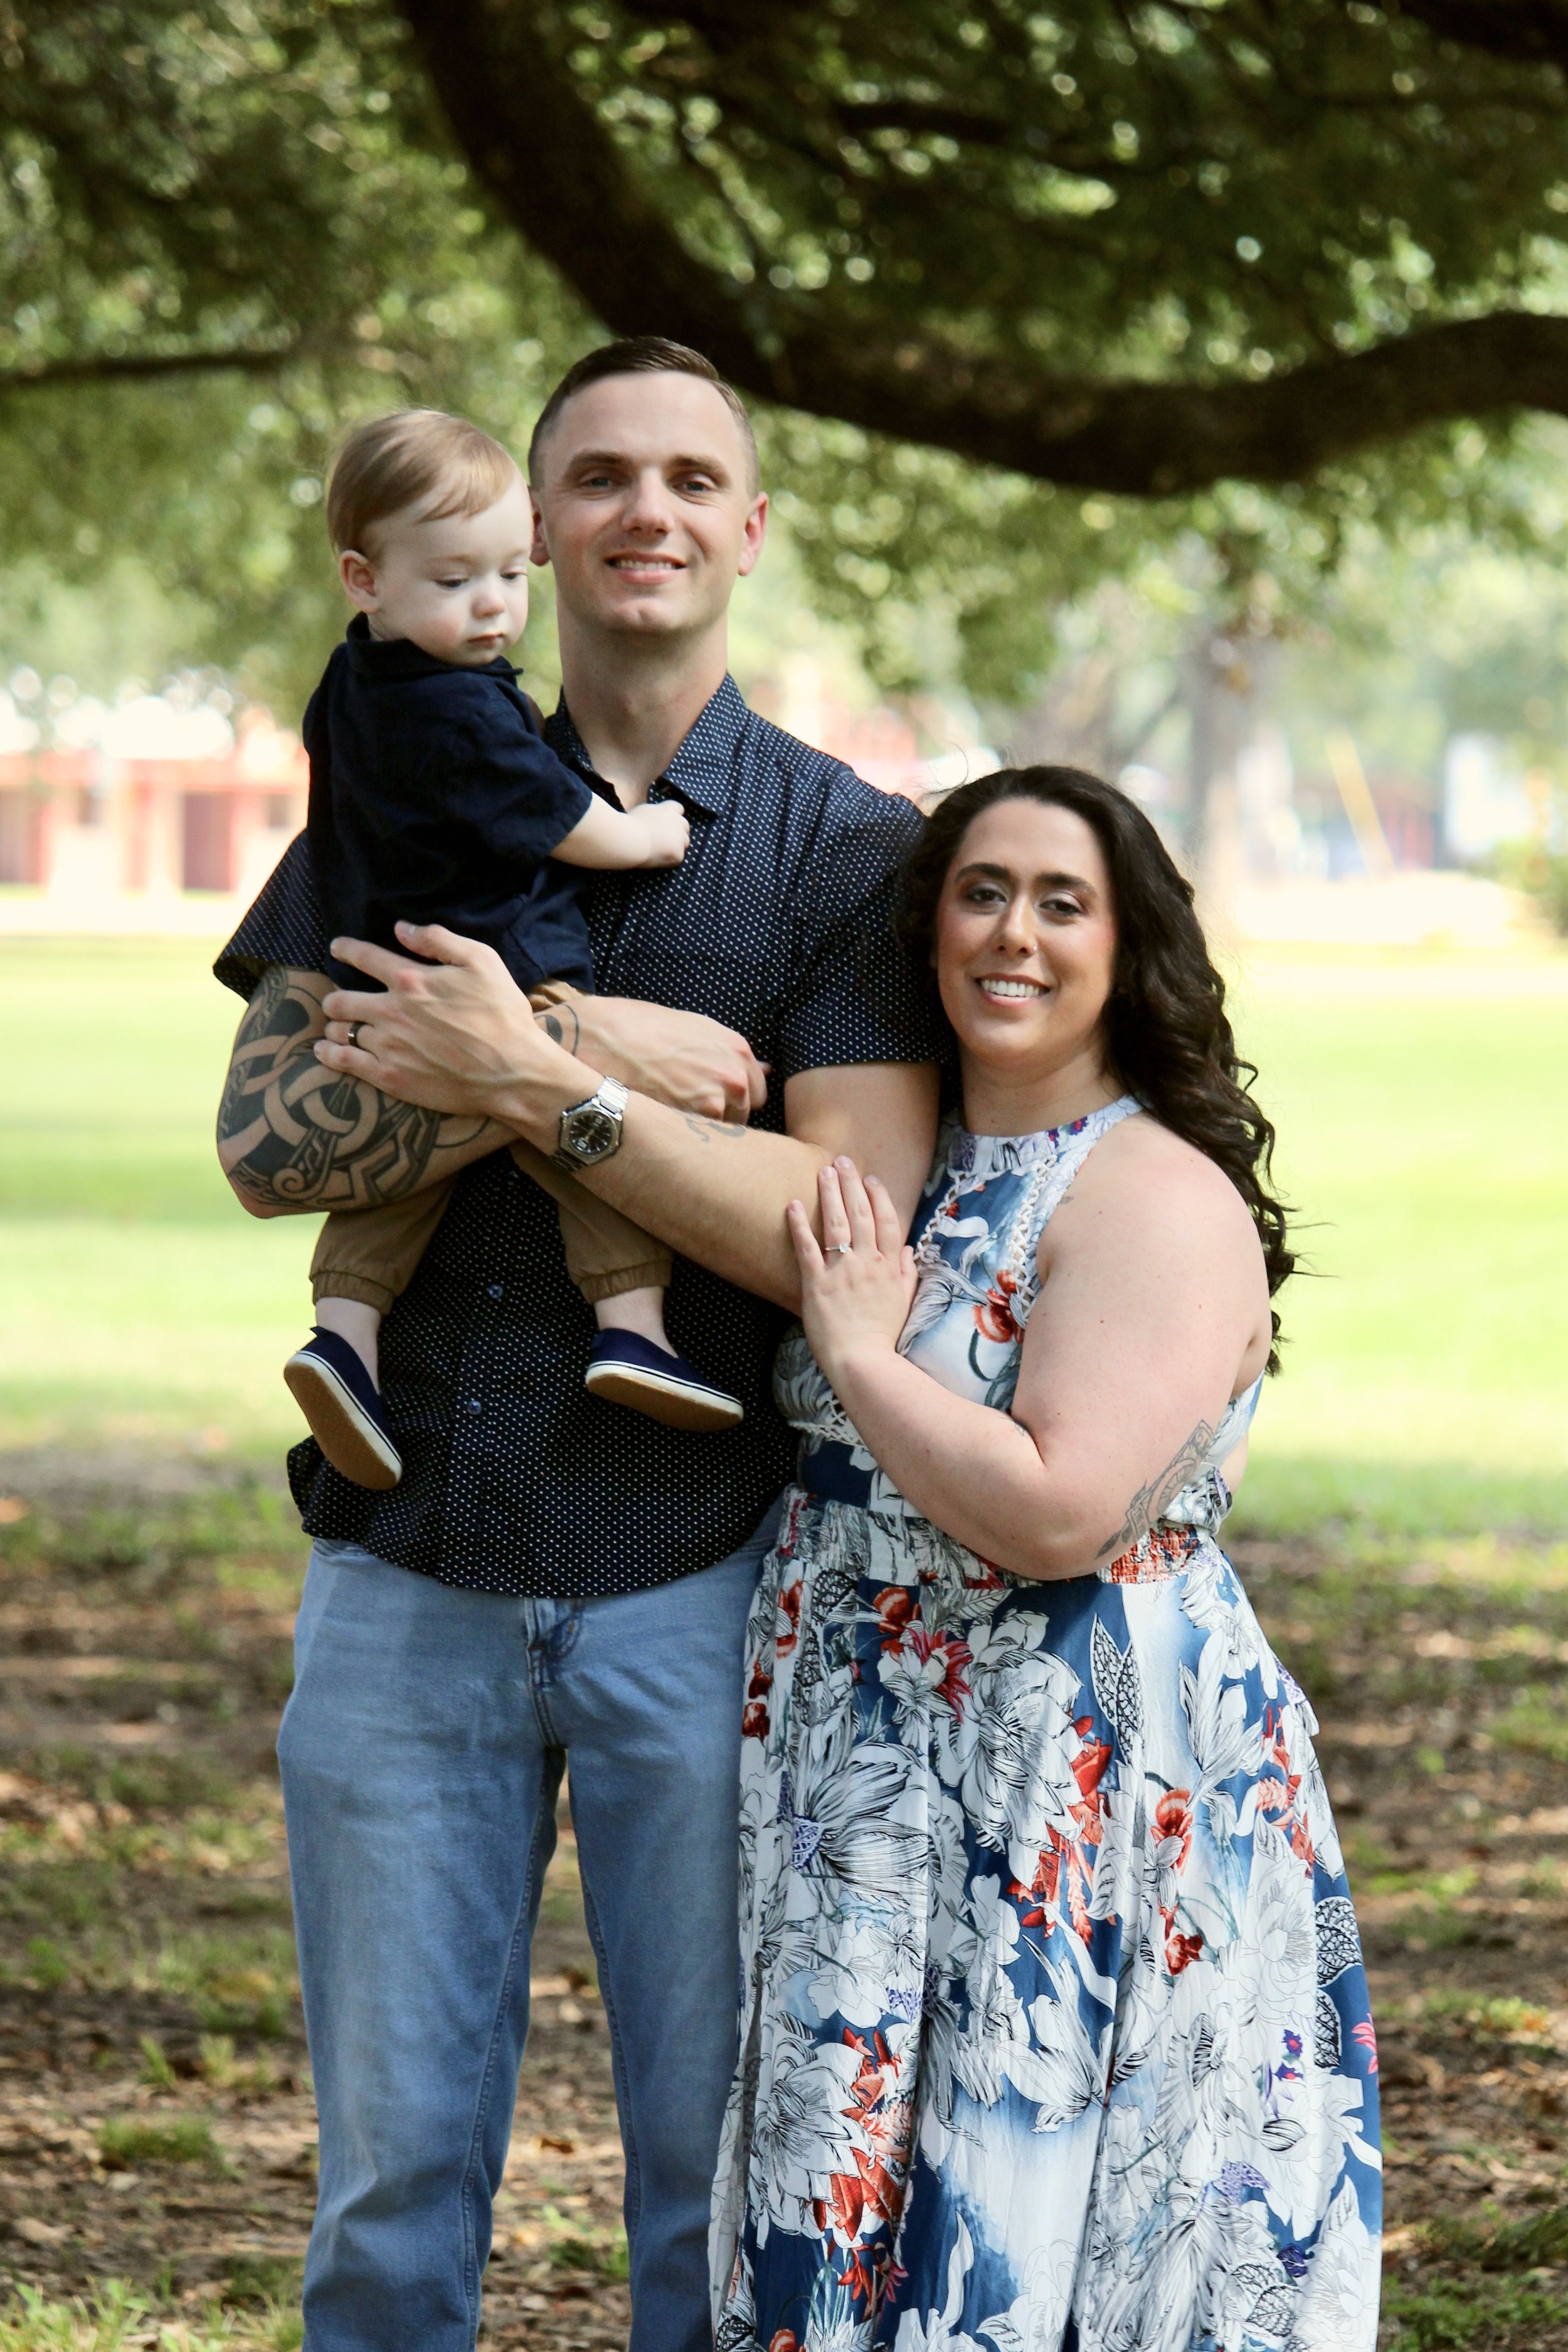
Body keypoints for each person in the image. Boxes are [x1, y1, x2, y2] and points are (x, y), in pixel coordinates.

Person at [213, 336, 939, 2352]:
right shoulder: (395, 767)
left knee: (711, 2191)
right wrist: (593, 1045)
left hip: (701, 1579)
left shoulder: (842, 851)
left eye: (693, 478)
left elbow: (835, 1236)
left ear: (751, 529)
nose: (648, 509)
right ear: (527, 523)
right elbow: (266, 1147)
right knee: (384, 2190)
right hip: (400, 1562)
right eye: (601, 473)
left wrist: (538, 1080)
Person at [708, 768, 1382, 2351]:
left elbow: (1056, 1511)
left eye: (1060, 902)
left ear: (1125, 944)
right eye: (982, 891)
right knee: (842, 2188)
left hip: (1070, 1781)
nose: (1012, 933)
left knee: (1030, 2224)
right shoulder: (898, 1167)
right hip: (862, 1773)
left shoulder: (1149, 1191)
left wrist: (866, 1361)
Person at [285, 403, 744, 1493]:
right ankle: (631, 1322)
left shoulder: (356, 683)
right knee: (578, 1132)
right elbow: (554, 810)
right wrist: (641, 834)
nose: (492, 604)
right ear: (364, 578)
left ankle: (342, 1337)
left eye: (506, 575)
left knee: (395, 1178)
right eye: (454, 583)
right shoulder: (465, 708)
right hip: (500, 956)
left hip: (380, 961)